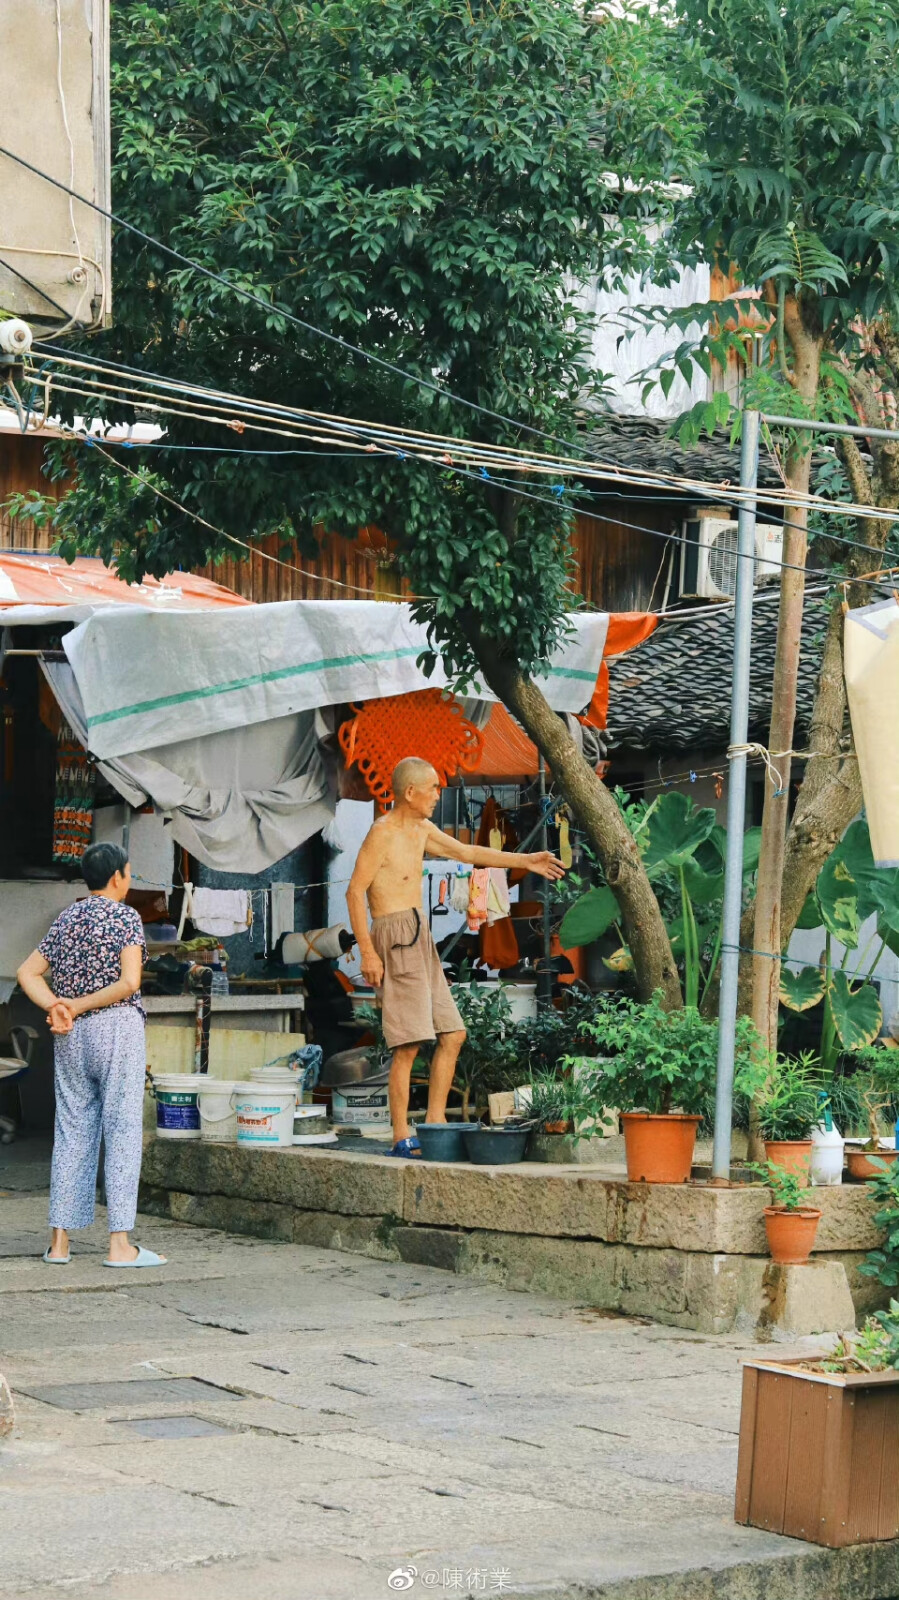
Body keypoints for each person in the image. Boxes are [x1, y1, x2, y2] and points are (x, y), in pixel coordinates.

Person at [346, 757, 565, 1156]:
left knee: (453, 1033)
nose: (437, 795)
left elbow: (467, 851)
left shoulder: (421, 828)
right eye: (431, 789)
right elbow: (354, 891)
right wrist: (367, 952)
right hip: (393, 932)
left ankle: (433, 1123)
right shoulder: (382, 832)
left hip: (419, 933)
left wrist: (526, 860)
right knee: (408, 1044)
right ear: (409, 792)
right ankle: (400, 1135)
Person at [16, 841, 166, 1268]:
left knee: (72, 1129)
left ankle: (59, 1244)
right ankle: (120, 1246)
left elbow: (28, 972)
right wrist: (77, 1005)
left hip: (71, 1037)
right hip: (116, 1027)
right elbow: (130, 981)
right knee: (120, 1130)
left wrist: (57, 1006)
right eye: (129, 872)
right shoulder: (125, 916)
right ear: (118, 876)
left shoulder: (67, 917)